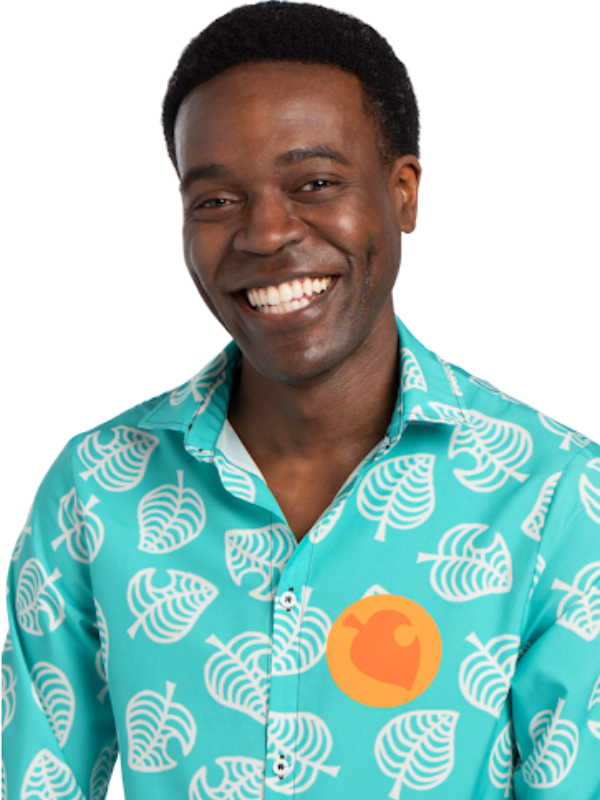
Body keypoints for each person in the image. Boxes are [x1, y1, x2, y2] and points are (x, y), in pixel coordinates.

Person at [2, 2, 599, 798]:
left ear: (404, 193)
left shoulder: (556, 494)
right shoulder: (96, 487)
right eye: (215, 201)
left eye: (314, 182)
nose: (265, 233)